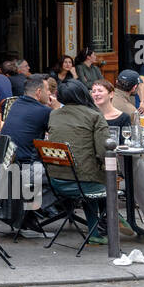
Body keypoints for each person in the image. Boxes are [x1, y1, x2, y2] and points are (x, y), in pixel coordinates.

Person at [45, 80, 111, 245]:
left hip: (56, 181)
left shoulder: (54, 114)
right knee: (101, 179)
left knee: (89, 176)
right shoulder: (94, 115)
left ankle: (95, 232)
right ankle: (115, 219)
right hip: (85, 183)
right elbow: (104, 152)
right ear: (83, 93)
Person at [2, 77, 52, 163]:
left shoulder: (16, 103)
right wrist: (57, 109)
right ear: (39, 92)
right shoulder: (44, 111)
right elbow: (57, 134)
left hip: (6, 160)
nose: (50, 93)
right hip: (27, 165)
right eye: (47, 90)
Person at [90, 78, 134, 143]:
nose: (96, 94)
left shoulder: (123, 117)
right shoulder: (90, 116)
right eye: (94, 91)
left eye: (100, 91)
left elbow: (126, 143)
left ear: (111, 94)